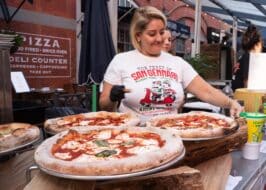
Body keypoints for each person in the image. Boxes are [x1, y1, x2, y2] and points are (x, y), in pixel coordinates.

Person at [99, 6, 242, 124]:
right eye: (152, 34)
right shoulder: (121, 60)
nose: (159, 38)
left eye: (162, 32)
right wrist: (112, 97)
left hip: (172, 132)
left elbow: (206, 92)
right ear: (138, 36)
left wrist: (231, 103)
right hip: (135, 136)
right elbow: (104, 105)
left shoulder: (176, 63)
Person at [232, 25, 263, 91]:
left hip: (236, 92)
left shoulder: (243, 56)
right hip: (242, 96)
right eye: (261, 44)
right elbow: (246, 81)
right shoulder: (249, 58)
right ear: (256, 45)